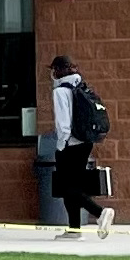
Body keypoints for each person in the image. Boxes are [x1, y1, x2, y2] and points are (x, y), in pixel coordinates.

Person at [48, 55, 112, 240]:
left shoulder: (61, 91)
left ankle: (100, 213)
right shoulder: (82, 86)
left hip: (70, 144)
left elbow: (63, 123)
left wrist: (61, 145)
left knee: (67, 187)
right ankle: (74, 229)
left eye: (54, 69)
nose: (53, 73)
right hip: (85, 142)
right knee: (73, 185)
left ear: (60, 70)